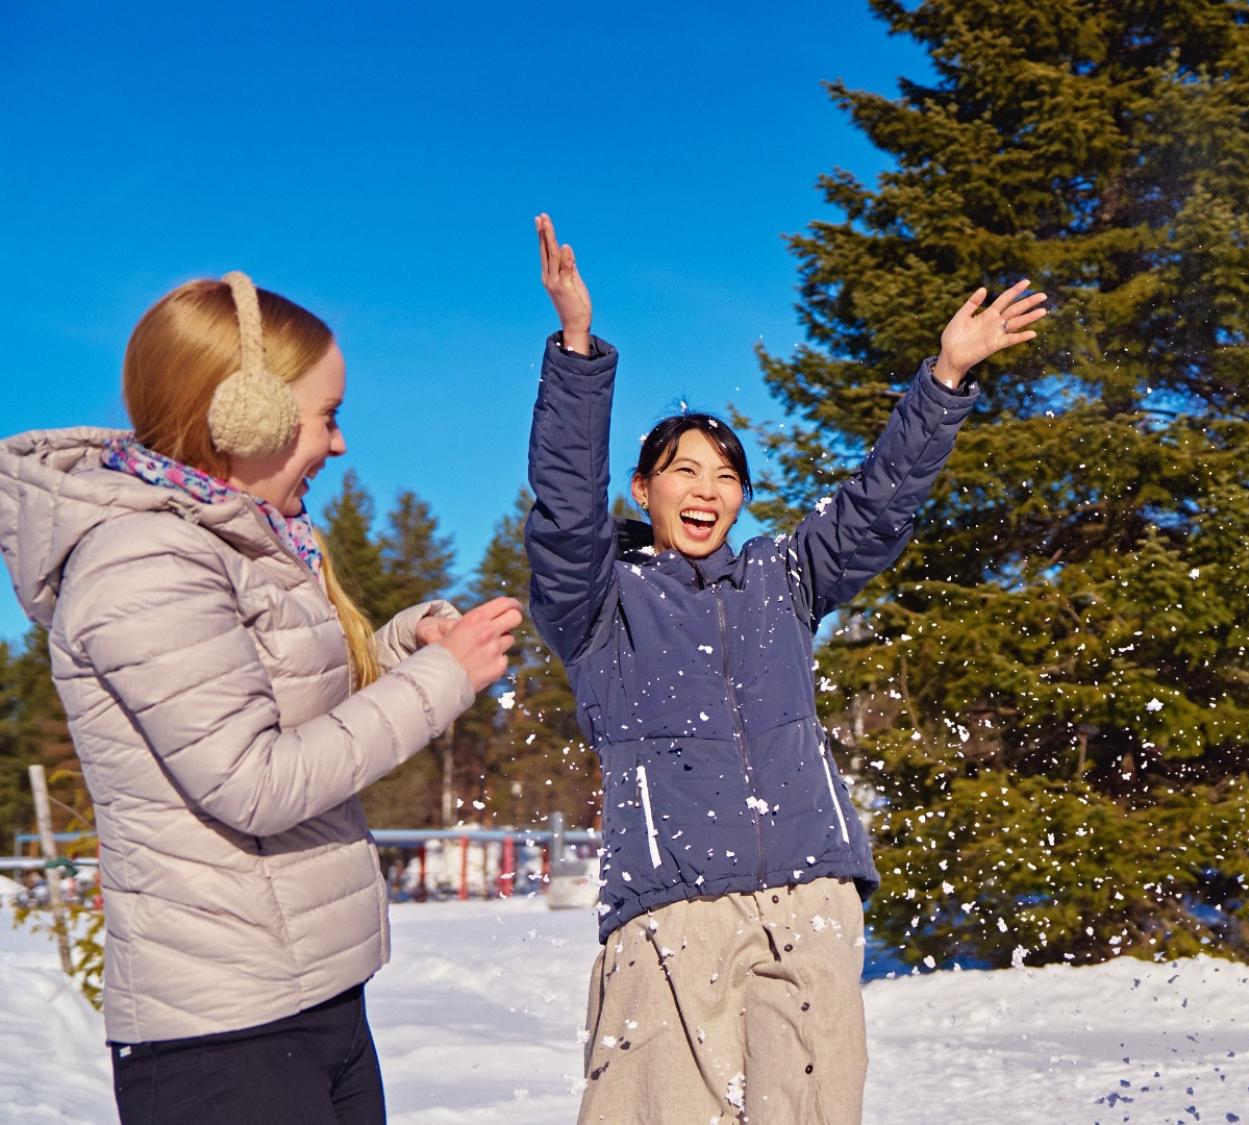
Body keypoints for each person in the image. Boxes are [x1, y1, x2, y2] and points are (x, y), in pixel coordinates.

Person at [526, 214, 1043, 1124]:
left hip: (808, 897)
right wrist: (576, 351)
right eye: (681, 471)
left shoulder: (784, 577)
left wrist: (947, 377)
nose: (705, 489)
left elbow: (880, 504)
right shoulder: (600, 606)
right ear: (642, 492)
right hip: (671, 914)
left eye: (726, 475)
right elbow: (566, 521)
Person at [0, 273, 521, 1125]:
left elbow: (298, 716)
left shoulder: (235, 547)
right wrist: (442, 682)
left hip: (306, 1000)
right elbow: (255, 778)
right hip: (224, 1038)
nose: (341, 444)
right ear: (246, 417)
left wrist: (402, 650)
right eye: (328, 416)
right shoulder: (144, 563)